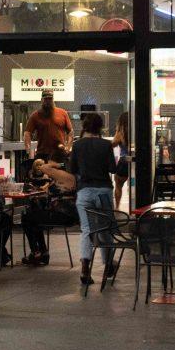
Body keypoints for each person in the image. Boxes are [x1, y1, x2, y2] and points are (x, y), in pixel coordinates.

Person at [70, 112, 116, 287]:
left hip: (84, 192)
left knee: (86, 230)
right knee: (106, 228)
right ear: (100, 127)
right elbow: (112, 168)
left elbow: (73, 168)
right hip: (103, 191)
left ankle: (84, 269)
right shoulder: (106, 145)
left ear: (84, 127)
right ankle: (108, 265)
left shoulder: (78, 145)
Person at [21, 153, 78, 266]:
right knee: (35, 217)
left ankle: (37, 252)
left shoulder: (63, 176)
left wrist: (53, 164)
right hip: (70, 215)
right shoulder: (72, 176)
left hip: (61, 215)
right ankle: (42, 253)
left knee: (26, 218)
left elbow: (44, 167)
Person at [23, 89, 74, 161]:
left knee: (60, 172)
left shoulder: (63, 113)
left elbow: (70, 132)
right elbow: (27, 133)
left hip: (60, 153)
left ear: (53, 99)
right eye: (46, 99)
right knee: (40, 172)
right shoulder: (35, 115)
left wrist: (68, 148)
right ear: (41, 100)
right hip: (42, 154)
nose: (48, 101)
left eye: (50, 99)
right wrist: (28, 150)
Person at [112, 112, 130, 208]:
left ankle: (117, 207)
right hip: (135, 160)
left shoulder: (121, 133)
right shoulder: (136, 130)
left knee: (118, 185)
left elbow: (113, 144)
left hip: (124, 161)